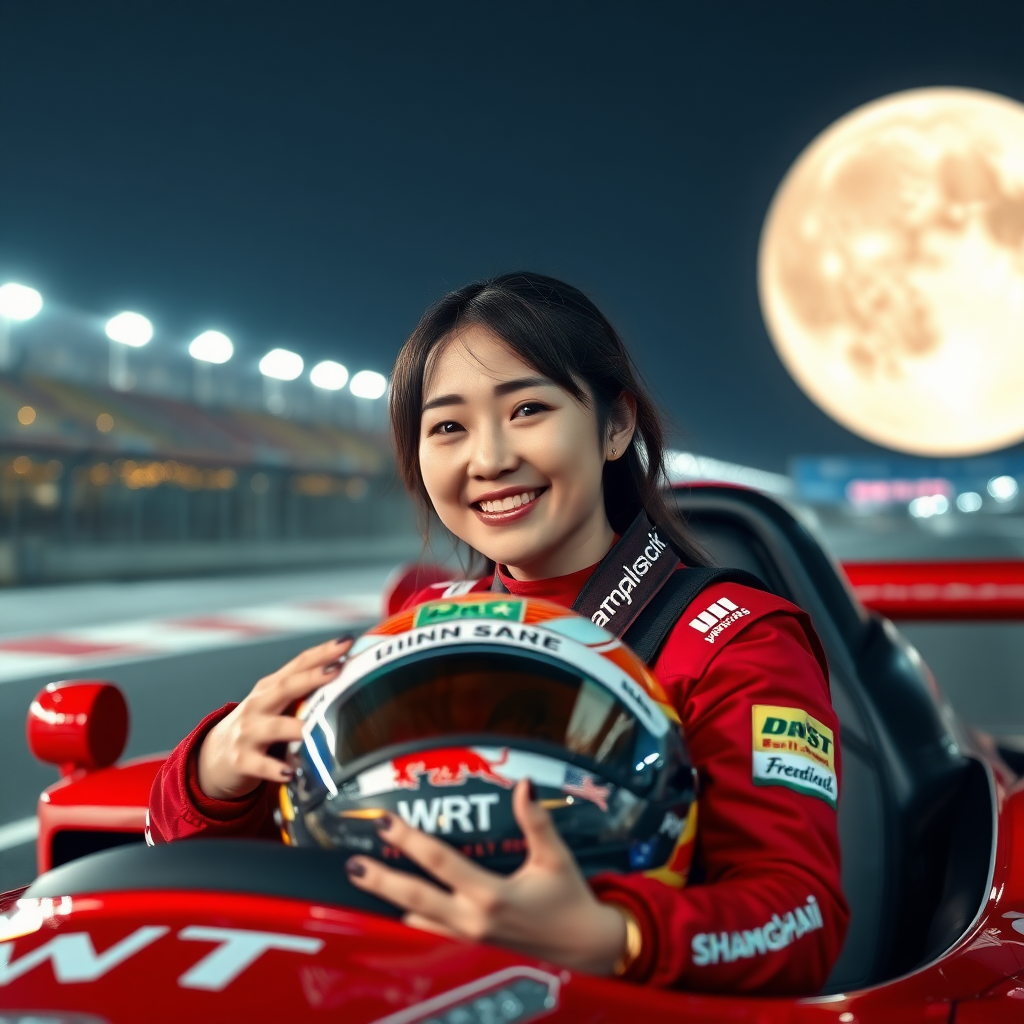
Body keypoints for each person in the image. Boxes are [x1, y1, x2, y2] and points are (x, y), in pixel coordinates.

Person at [148, 272, 849, 994]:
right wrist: (212, 772)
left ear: (616, 425)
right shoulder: (415, 637)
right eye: (448, 426)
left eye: (528, 410)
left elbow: (799, 920)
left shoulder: (737, 639)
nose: (489, 460)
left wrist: (612, 936)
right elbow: (212, 879)